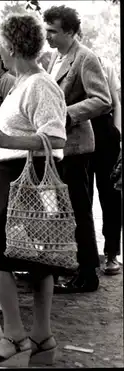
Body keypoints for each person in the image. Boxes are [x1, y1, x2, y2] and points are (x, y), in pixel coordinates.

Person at [0, 14, 68, 367]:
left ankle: (15, 336)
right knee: (32, 259)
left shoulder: (39, 84)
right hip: (11, 176)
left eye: (2, 46)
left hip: (26, 178)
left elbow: (57, 138)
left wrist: (9, 139)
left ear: (11, 47)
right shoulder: (21, 82)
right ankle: (42, 338)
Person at [43, 5, 112, 293]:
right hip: (59, 149)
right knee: (60, 211)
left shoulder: (85, 58)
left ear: (70, 32)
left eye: (53, 32)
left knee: (79, 211)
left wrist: (65, 114)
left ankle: (88, 274)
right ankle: (70, 267)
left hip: (77, 148)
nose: (47, 37)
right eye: (46, 30)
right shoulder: (55, 57)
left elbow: (103, 99)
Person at [87, 55, 122, 276]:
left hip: (105, 132)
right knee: (82, 195)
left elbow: (116, 103)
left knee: (110, 194)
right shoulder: (60, 61)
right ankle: (86, 255)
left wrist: (118, 137)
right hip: (79, 132)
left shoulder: (104, 63)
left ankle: (111, 253)